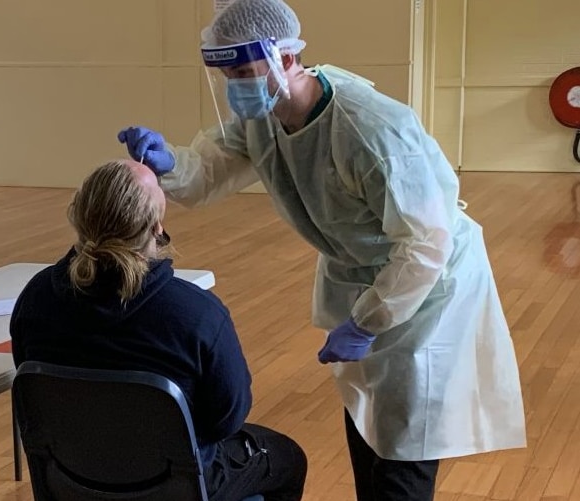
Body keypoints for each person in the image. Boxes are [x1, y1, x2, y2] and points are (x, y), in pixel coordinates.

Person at [116, 0, 526, 499]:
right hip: (362, 272)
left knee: (405, 438)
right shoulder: (265, 114)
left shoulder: (372, 130)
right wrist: (171, 163)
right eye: (228, 75)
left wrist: (369, 320)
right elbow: (210, 170)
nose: (237, 86)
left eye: (245, 71)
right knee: (366, 417)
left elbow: (425, 243)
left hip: (426, 289)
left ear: (286, 58)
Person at [10, 159, 307, 501]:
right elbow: (228, 417)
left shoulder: (35, 299)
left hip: (70, 476)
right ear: (156, 228)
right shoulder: (196, 314)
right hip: (176, 481)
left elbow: (29, 383)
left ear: (80, 214)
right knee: (287, 459)